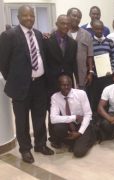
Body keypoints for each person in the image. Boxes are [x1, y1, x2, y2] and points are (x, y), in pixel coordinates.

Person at [0, 5, 54, 164]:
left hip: (39, 85)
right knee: (22, 120)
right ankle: (25, 149)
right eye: (25, 16)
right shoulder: (9, 35)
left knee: (39, 117)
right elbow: (3, 63)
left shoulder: (37, 34)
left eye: (32, 16)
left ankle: (40, 144)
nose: (29, 18)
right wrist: (14, 79)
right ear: (18, 17)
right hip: (20, 86)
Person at [44, 15, 78, 145]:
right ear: (56, 24)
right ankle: (54, 138)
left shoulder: (73, 43)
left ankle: (67, 134)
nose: (65, 26)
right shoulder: (47, 40)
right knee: (52, 110)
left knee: (67, 107)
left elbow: (73, 64)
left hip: (68, 83)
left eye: (68, 24)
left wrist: (76, 83)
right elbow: (45, 61)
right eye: (62, 23)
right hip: (51, 83)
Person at [50, 74, 96, 157]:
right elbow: (53, 118)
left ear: (72, 85)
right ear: (59, 85)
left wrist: (79, 132)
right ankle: (75, 140)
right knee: (58, 127)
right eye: (63, 85)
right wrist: (73, 117)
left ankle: (87, 138)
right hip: (70, 124)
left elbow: (88, 114)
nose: (66, 87)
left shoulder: (81, 94)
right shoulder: (55, 97)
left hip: (83, 124)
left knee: (78, 153)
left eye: (68, 85)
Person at [89, 19, 114, 113]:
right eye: (97, 29)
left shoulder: (109, 42)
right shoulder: (90, 43)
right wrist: (92, 69)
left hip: (108, 76)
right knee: (96, 99)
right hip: (96, 78)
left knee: (108, 99)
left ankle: (108, 120)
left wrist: (112, 68)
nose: (99, 31)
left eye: (101, 29)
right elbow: (88, 59)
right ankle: (97, 122)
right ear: (93, 29)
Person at [67, 8, 94, 90]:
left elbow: (90, 55)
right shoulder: (61, 32)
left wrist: (90, 72)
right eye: (74, 16)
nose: (76, 18)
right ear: (68, 16)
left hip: (82, 74)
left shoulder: (87, 35)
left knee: (81, 98)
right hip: (66, 74)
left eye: (79, 17)